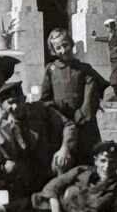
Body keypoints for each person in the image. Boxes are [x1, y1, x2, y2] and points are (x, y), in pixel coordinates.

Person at [0, 80, 77, 201]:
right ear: (1, 106)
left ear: (24, 98)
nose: (15, 107)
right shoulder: (3, 127)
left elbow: (68, 125)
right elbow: (11, 156)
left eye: (18, 101)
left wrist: (65, 148)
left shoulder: (41, 109)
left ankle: (61, 200)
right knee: (11, 167)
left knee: (61, 161)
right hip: (27, 169)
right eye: (9, 103)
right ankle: (25, 204)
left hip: (49, 162)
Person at [40, 28, 108, 162]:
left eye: (65, 45)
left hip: (85, 123)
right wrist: (59, 118)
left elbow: (99, 88)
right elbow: (45, 99)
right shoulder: (51, 70)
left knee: (89, 159)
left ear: (71, 44)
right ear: (53, 50)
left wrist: (84, 113)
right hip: (61, 125)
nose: (63, 50)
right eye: (58, 48)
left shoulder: (84, 68)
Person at [96, 18, 117, 103]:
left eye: (108, 26)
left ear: (111, 26)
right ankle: (116, 95)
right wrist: (96, 38)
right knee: (114, 77)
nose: (107, 28)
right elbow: (106, 39)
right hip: (113, 58)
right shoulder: (111, 35)